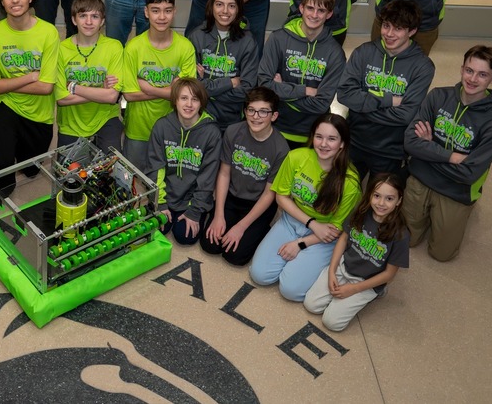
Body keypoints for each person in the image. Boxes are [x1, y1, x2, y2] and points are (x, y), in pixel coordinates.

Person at [402, 45, 492, 262]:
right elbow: (410, 142)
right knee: (406, 241)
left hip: (456, 189)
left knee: (441, 254)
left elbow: (469, 173)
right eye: (469, 70)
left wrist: (428, 147)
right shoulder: (437, 96)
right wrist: (451, 156)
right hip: (421, 177)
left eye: (483, 74)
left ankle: (459, 214)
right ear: (461, 69)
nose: (473, 79)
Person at [249, 113, 362, 302]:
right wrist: (310, 223)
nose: (324, 144)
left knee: (290, 290)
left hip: (323, 236)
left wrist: (300, 244)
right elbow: (281, 197)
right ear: (312, 137)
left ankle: (323, 261)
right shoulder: (296, 157)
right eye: (319, 137)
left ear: (342, 143)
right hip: (292, 220)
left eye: (332, 139)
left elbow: (335, 228)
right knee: (259, 275)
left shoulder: (350, 182)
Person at [337, 0, 435, 181]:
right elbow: (344, 95)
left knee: (379, 204)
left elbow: (406, 115)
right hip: (354, 140)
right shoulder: (363, 53)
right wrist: (389, 101)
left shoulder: (423, 66)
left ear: (412, 31)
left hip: (390, 150)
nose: (389, 34)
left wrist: (363, 107)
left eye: (398, 29)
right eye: (386, 26)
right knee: (341, 196)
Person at [0, 0, 60, 192]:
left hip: (39, 114)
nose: (15, 0)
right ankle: (3, 148)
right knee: (3, 176)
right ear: (1, 2)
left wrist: (12, 82)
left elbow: (46, 88)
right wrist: (30, 76)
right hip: (6, 105)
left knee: (32, 169)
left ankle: (17, 148)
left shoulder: (48, 32)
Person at [304, 173, 410, 332]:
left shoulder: (401, 234)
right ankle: (342, 286)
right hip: (344, 267)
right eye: (376, 196)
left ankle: (376, 293)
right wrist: (332, 271)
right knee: (311, 305)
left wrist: (354, 289)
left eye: (389, 198)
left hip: (367, 281)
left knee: (332, 322)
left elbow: (389, 274)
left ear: (399, 201)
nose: (381, 203)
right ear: (369, 195)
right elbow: (343, 239)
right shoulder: (360, 212)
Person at [201, 87, 290, 266]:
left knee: (235, 256)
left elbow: (268, 194)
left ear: (274, 116)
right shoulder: (233, 132)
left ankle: (263, 229)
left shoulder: (281, 148)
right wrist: (219, 214)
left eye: (263, 111)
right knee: (210, 245)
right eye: (251, 110)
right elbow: (224, 173)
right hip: (232, 197)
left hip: (258, 203)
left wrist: (241, 227)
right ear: (245, 111)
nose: (256, 116)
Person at [121, 0, 196, 173]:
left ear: (174, 12)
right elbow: (129, 95)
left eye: (167, 10)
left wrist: (147, 87)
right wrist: (169, 90)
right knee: (132, 178)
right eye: (155, 10)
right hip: (138, 129)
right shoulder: (133, 48)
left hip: (172, 128)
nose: (161, 17)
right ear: (146, 12)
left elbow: (185, 95)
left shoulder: (185, 47)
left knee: (165, 182)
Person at [258, 0, 346, 148]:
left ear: (329, 14)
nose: (314, 15)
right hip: (275, 125)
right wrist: (305, 91)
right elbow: (264, 85)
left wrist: (282, 89)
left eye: (321, 11)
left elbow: (321, 103)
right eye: (310, 8)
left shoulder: (335, 53)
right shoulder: (278, 39)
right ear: (301, 8)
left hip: (311, 132)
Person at [145, 78, 221, 246]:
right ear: (175, 101)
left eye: (195, 99)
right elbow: (155, 167)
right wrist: (160, 203)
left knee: (184, 237)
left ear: (201, 103)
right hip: (167, 194)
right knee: (157, 229)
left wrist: (195, 211)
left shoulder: (211, 132)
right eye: (184, 98)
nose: (189, 104)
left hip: (190, 199)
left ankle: (200, 212)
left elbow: (208, 176)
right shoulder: (162, 126)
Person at [55, 0, 124, 153]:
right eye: (83, 16)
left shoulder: (114, 47)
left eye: (95, 16)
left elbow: (112, 97)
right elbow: (61, 99)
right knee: (68, 176)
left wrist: (73, 87)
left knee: (111, 171)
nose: (88, 22)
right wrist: (101, 90)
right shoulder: (61, 50)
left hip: (105, 118)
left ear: (102, 21)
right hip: (70, 124)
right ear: (73, 20)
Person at [188, 0, 259, 131]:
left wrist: (206, 88)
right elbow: (193, 87)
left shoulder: (248, 41)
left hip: (232, 123)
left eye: (231, 6)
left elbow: (247, 89)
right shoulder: (197, 36)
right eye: (219, 4)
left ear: (238, 9)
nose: (225, 11)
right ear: (211, 6)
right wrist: (231, 82)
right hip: (199, 118)